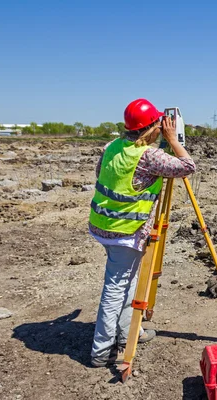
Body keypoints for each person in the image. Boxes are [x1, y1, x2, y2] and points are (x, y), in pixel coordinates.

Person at [88, 98, 196, 367]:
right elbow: (188, 167)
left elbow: (102, 174)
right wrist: (173, 141)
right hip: (126, 232)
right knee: (116, 287)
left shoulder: (111, 146)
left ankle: (129, 332)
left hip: (104, 225)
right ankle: (101, 351)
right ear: (153, 126)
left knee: (127, 280)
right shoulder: (150, 156)